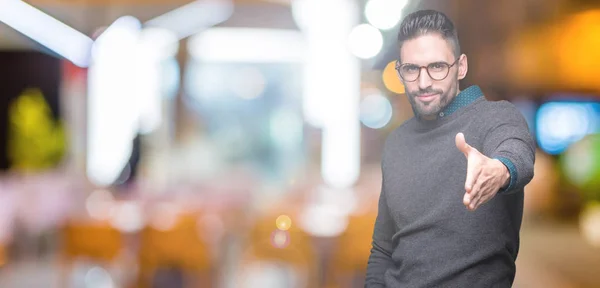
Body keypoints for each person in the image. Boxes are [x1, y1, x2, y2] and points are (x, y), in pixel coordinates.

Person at [365, 9, 535, 288]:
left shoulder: (496, 117)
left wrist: (500, 170)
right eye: (411, 69)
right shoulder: (396, 143)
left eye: (437, 67)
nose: (423, 82)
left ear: (461, 66)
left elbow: (516, 151)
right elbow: (383, 248)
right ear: (400, 70)